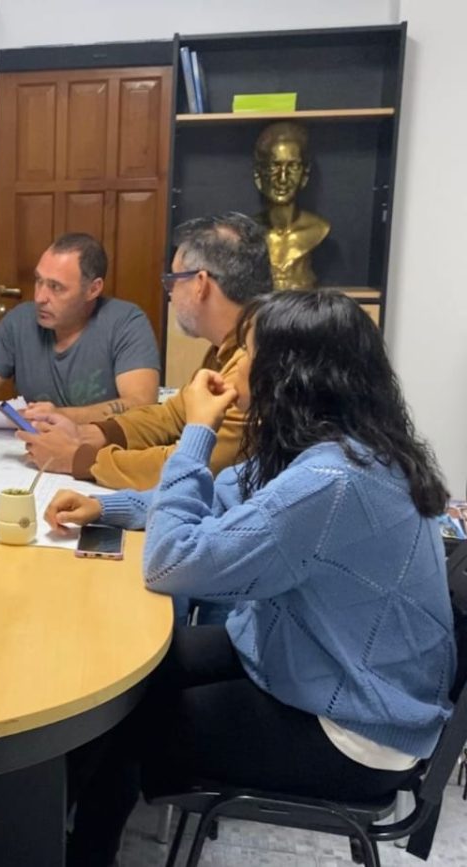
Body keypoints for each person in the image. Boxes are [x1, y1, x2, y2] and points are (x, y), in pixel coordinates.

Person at [44, 290, 456, 866]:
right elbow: (214, 500)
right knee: (123, 675)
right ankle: (56, 833)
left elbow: (169, 563)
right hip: (318, 663)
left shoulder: (332, 481)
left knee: (124, 717)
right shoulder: (339, 447)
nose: (231, 366)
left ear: (290, 374)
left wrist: (197, 431)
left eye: (247, 353)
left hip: (356, 728)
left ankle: (73, 851)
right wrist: (110, 508)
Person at [18, 212, 272, 486]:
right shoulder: (228, 346)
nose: (170, 292)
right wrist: (90, 434)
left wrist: (79, 459)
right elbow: (172, 416)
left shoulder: (253, 360)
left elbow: (191, 464)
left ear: (200, 284)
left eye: (173, 280)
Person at [0, 232, 159, 432]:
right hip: (35, 450)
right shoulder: (19, 321)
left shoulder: (126, 322)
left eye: (56, 287)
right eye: (38, 281)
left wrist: (62, 416)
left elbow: (142, 405)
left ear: (93, 289)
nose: (40, 297)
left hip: (98, 450)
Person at [253, 120, 330, 289]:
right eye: (275, 165)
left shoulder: (319, 229)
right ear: (259, 174)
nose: (282, 178)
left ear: (305, 174)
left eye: (293, 166)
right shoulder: (248, 233)